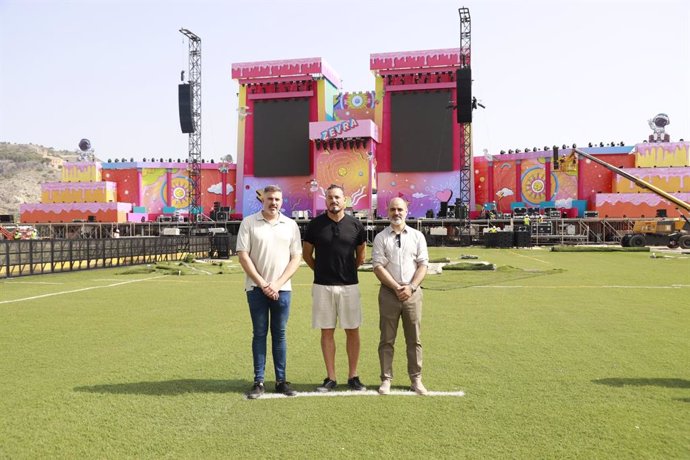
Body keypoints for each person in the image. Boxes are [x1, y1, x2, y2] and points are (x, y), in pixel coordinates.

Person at [236, 185, 302, 399]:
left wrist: (277, 283)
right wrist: (264, 284)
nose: (273, 203)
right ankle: (259, 381)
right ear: (262, 200)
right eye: (270, 199)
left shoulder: (290, 225)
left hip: (282, 290)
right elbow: (243, 256)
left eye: (277, 199)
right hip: (256, 289)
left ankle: (281, 381)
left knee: (280, 334)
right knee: (260, 333)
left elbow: (296, 258)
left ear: (282, 201)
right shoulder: (249, 223)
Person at [303, 184, 367, 392]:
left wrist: (347, 271)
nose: (334, 201)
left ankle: (353, 376)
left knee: (352, 331)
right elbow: (306, 255)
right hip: (323, 286)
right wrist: (321, 271)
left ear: (345, 200)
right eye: (330, 197)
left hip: (349, 286)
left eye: (337, 197)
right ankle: (330, 377)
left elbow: (361, 256)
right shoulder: (315, 225)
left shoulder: (356, 225)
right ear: (326, 201)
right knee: (327, 331)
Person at [371, 197, 429, 395]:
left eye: (400, 209)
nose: (396, 213)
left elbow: (423, 265)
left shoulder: (417, 236)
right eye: (393, 209)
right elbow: (377, 266)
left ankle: (416, 379)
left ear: (406, 211)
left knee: (414, 339)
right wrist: (396, 287)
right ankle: (386, 379)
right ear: (388, 212)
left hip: (412, 293)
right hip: (389, 293)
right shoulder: (381, 238)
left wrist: (411, 287)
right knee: (387, 338)